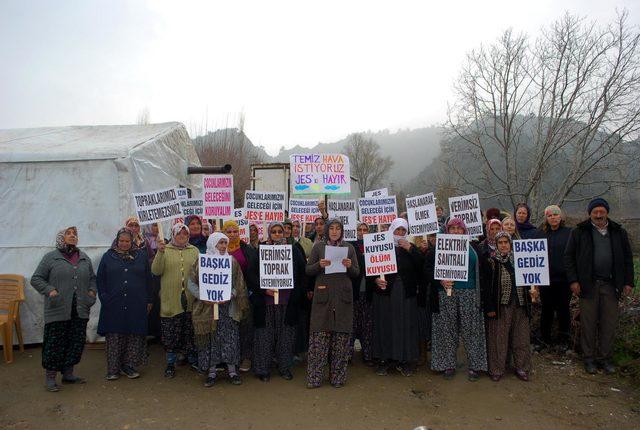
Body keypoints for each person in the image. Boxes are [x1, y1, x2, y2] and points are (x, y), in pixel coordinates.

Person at [564, 198, 635, 375]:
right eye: (595, 212)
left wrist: (628, 281)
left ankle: (605, 358)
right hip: (588, 285)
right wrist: (573, 281)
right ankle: (588, 359)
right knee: (588, 324)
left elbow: (627, 258)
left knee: (608, 324)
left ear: (607, 213)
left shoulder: (618, 232)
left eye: (601, 211)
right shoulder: (580, 231)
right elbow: (569, 257)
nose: (598, 215)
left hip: (611, 285)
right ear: (590, 213)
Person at [31, 226, 97, 392]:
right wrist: (50, 290)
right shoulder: (51, 258)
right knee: (55, 342)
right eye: (69, 234)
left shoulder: (83, 258)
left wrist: (91, 292)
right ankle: (51, 377)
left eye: (75, 234)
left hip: (80, 308)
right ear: (61, 237)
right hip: (58, 308)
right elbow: (36, 279)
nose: (73, 236)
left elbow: (92, 279)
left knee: (75, 341)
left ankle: (68, 373)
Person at [425, 218, 488, 381]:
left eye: (458, 228)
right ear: (447, 230)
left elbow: (483, 268)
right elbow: (426, 270)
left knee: (472, 330)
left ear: (464, 231)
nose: (455, 231)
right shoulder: (438, 247)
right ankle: (448, 364)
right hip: (445, 293)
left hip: (470, 292)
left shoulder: (473, 247)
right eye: (452, 228)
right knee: (446, 330)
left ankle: (475, 365)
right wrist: (440, 280)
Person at [189, 232, 250, 387]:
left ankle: (232, 371)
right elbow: (191, 283)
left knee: (230, 339)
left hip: (228, 309)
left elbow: (239, 283)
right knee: (211, 340)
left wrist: (230, 295)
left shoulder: (232, 262)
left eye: (225, 243)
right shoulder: (201, 262)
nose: (223, 246)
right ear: (212, 244)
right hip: (207, 309)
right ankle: (212, 372)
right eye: (220, 243)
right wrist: (204, 296)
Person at [306, 218, 360, 388]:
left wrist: (350, 266)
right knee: (319, 339)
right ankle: (315, 378)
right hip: (323, 297)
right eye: (332, 228)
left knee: (340, 340)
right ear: (327, 230)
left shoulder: (349, 248)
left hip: (343, 298)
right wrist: (319, 266)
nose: (335, 231)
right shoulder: (319, 247)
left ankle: (337, 378)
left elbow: (356, 273)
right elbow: (308, 270)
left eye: (338, 229)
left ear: (342, 231)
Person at [252, 222, 306, 381]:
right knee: (264, 337)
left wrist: (296, 295)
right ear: (269, 233)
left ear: (284, 233)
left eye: (279, 231)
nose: (276, 234)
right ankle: (263, 370)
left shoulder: (294, 250)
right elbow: (252, 275)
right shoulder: (261, 250)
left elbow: (302, 273)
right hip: (266, 303)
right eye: (273, 231)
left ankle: (284, 367)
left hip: (287, 302)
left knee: (286, 337)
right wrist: (263, 290)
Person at [97, 228, 153, 380]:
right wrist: (104, 297)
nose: (124, 244)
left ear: (132, 241)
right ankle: (113, 368)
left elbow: (148, 279)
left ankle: (129, 366)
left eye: (127, 241)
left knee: (134, 335)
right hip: (114, 303)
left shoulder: (141, 256)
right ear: (117, 241)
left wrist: (149, 300)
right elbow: (100, 279)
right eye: (121, 241)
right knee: (115, 335)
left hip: (137, 302)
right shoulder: (108, 257)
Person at [372, 218, 424, 377]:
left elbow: (422, 267)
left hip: (406, 293)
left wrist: (411, 250)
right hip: (386, 293)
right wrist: (375, 280)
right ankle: (385, 359)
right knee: (386, 324)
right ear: (392, 230)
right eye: (397, 230)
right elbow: (372, 269)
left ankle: (405, 360)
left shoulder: (411, 248)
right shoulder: (381, 246)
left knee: (405, 325)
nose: (400, 234)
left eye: (403, 231)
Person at [482, 232, 533, 381]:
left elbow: (531, 279)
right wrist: (490, 308)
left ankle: (522, 367)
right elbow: (486, 286)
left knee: (521, 337)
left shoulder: (522, 259)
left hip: (520, 304)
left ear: (511, 244)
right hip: (500, 305)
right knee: (498, 338)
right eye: (500, 242)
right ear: (496, 244)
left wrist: (533, 292)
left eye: (506, 242)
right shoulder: (490, 261)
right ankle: (496, 368)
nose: (504, 245)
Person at [151, 223, 200, 378]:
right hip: (170, 300)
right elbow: (156, 270)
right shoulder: (165, 250)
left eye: (185, 234)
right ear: (173, 234)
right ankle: (170, 363)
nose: (182, 236)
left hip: (191, 299)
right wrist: (159, 252)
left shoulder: (194, 250)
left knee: (189, 331)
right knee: (170, 333)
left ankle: (191, 359)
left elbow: (200, 272)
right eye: (179, 234)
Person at [222, 219, 259, 373]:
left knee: (246, 325)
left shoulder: (247, 249)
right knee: (229, 327)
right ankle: (230, 357)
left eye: (235, 231)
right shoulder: (218, 249)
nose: (232, 234)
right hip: (224, 295)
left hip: (245, 294)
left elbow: (254, 270)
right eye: (228, 232)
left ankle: (246, 357)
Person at [539, 205, 572, 352]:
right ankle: (544, 339)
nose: (553, 217)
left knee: (563, 310)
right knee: (546, 310)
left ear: (560, 217)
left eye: (555, 215)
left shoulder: (569, 233)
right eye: (550, 215)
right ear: (546, 218)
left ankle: (564, 340)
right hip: (545, 279)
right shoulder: (541, 234)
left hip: (563, 280)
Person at [350, 221, 375, 365]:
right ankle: (348, 354)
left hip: (369, 291)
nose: (362, 232)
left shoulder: (374, 246)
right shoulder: (350, 246)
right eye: (359, 229)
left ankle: (368, 354)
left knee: (367, 325)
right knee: (352, 324)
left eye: (365, 229)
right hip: (354, 292)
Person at [143, 223, 162, 339]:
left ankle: (158, 332)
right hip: (147, 277)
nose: (155, 228)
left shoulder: (164, 240)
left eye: (157, 225)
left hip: (159, 278)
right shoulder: (143, 242)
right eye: (153, 225)